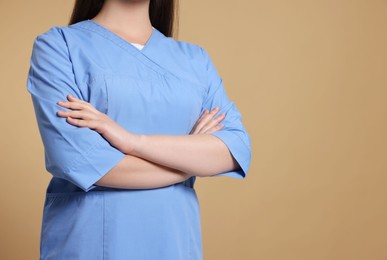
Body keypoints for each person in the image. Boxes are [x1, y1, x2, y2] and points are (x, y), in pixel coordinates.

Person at [26, 0, 252, 259]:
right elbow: (83, 162)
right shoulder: (60, 46)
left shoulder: (195, 60)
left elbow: (234, 150)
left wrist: (131, 141)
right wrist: (192, 159)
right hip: (90, 242)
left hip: (174, 241)